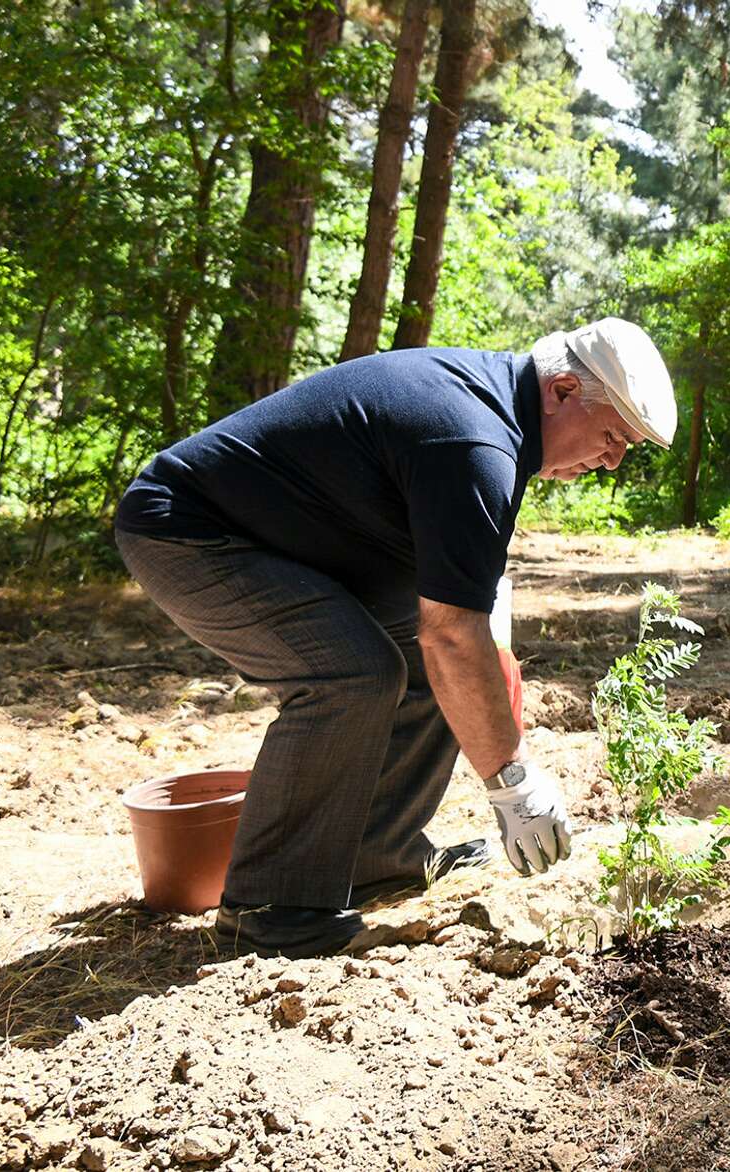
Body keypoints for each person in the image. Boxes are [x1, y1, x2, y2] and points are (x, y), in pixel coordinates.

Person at [114, 319, 677, 958]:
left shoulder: (501, 421)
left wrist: (486, 671)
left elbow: (463, 610)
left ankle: (372, 859)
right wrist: (512, 782)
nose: (612, 460)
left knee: (425, 663)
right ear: (564, 389)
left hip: (290, 543)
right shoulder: (476, 438)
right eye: (612, 436)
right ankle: (271, 910)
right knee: (354, 675)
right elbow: (452, 636)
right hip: (188, 530)